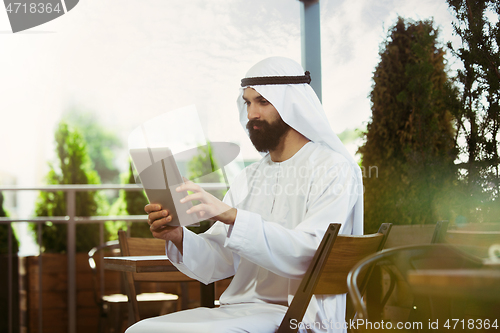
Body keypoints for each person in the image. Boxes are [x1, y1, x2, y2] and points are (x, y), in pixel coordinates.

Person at [126, 56, 363, 333]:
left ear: (292, 105)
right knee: (140, 330)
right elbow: (221, 260)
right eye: (248, 102)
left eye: (263, 101)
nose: (251, 114)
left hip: (299, 315)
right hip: (240, 309)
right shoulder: (249, 177)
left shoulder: (333, 168)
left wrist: (232, 216)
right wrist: (178, 236)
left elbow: (310, 255)